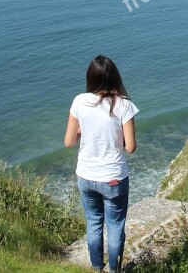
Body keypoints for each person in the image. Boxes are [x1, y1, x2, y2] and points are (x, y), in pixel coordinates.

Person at [65, 55, 139, 272]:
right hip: (113, 178)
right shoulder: (124, 105)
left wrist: (83, 130)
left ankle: (97, 268)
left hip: (86, 177)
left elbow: (68, 142)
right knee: (115, 226)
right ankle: (114, 270)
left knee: (93, 222)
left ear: (90, 78)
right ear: (115, 77)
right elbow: (131, 147)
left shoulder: (79, 101)